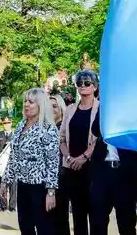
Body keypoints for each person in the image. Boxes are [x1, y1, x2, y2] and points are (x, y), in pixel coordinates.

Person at [2, 87, 60, 235]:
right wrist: (5, 181)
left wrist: (51, 193)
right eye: (25, 101)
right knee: (25, 226)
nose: (26, 104)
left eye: (31, 102)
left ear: (41, 105)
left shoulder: (48, 129)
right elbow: (13, 156)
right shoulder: (21, 125)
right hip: (22, 185)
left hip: (40, 187)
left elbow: (52, 162)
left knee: (44, 228)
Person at [90, 106, 137, 235]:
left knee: (126, 222)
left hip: (126, 173)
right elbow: (95, 130)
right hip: (102, 170)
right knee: (97, 221)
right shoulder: (105, 104)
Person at [59, 70, 100, 235]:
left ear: (95, 86)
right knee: (77, 216)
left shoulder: (101, 109)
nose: (83, 86)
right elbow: (61, 138)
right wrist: (69, 157)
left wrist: (84, 157)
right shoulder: (70, 109)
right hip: (72, 168)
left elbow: (100, 139)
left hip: (92, 170)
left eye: (87, 83)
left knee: (97, 217)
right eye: (79, 83)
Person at [50, 93, 70, 235]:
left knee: (60, 220)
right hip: (46, 180)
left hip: (61, 178)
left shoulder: (66, 128)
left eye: (55, 106)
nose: (51, 109)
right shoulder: (45, 128)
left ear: (62, 108)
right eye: (48, 107)